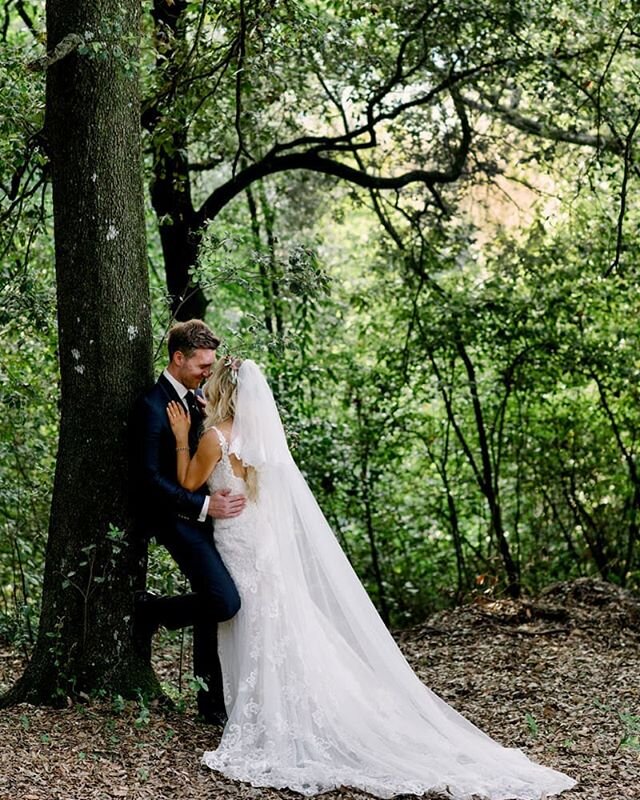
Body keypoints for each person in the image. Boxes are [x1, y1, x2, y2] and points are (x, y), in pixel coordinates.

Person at [165, 356, 577, 799]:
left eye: (211, 382)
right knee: (273, 616)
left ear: (223, 391)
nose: (203, 388)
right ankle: (272, 706)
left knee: (254, 619)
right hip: (259, 536)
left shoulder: (213, 439)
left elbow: (188, 483)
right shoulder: (258, 438)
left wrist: (179, 439)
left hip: (237, 537)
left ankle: (266, 713)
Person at [130, 319, 246, 725]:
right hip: (175, 519)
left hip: (214, 521)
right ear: (178, 358)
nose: (207, 372)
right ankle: (152, 612)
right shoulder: (150, 406)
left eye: (212, 365)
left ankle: (210, 703)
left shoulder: (200, 399)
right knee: (223, 601)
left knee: (211, 602)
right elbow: (150, 481)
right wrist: (203, 506)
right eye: (202, 365)